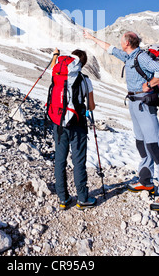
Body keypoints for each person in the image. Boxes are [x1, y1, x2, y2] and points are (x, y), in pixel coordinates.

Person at [83, 30, 159, 212]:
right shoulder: (128, 56)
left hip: (144, 103)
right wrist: (91, 38)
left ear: (127, 42)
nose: (119, 41)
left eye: (122, 39)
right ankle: (146, 181)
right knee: (142, 144)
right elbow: (109, 48)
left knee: (155, 146)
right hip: (134, 103)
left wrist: (150, 84)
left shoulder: (141, 57)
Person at [49, 48, 97, 210]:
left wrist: (55, 55)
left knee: (60, 161)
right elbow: (91, 106)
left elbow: (53, 66)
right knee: (78, 162)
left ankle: (63, 198)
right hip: (77, 124)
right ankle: (82, 198)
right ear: (82, 64)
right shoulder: (85, 80)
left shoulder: (57, 73)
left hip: (58, 122)